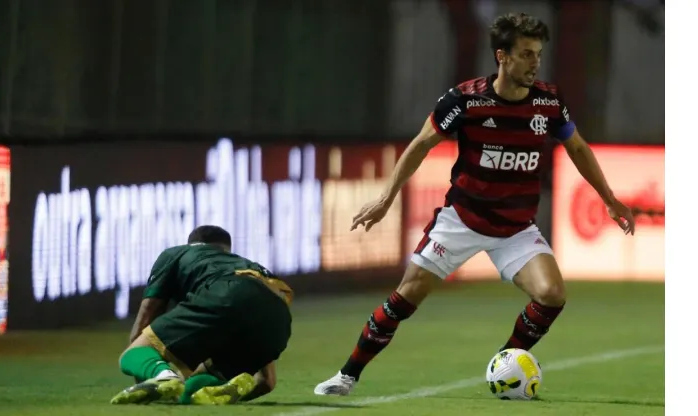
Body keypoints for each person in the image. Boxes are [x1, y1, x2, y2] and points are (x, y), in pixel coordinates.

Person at [314, 12, 635, 396]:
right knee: (405, 297)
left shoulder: (548, 103)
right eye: (527, 54)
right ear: (502, 56)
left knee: (552, 295)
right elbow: (420, 144)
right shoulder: (466, 100)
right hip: (462, 220)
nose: (536, 63)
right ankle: (347, 374)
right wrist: (386, 198)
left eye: (538, 54)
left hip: (516, 227)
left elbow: (578, 148)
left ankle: (506, 362)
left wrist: (610, 200)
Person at [110, 225, 294, 405]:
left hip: (226, 293)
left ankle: (164, 376)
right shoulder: (248, 266)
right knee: (192, 389)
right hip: (279, 318)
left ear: (193, 244)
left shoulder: (177, 253)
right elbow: (267, 382)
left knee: (132, 354)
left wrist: (142, 364)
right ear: (226, 249)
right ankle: (226, 387)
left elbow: (148, 312)